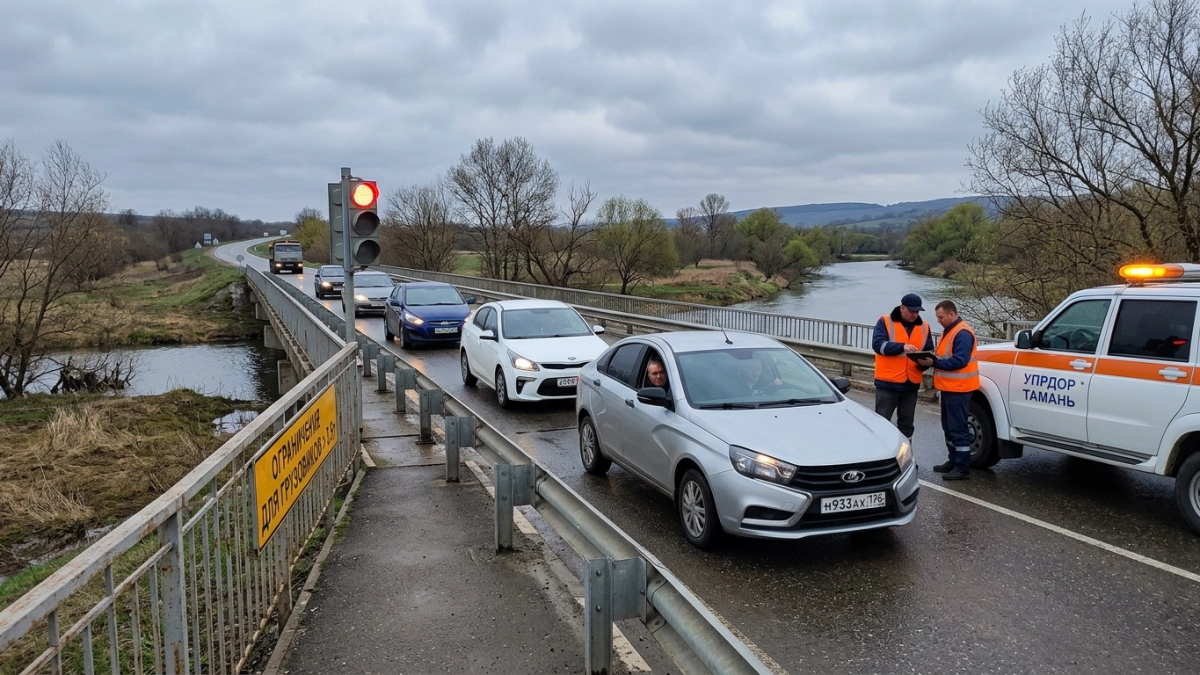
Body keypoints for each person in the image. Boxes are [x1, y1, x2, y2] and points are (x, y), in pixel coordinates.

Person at [917, 300, 980, 481]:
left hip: (959, 389)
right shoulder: (951, 330)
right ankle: (953, 460)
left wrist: (934, 362)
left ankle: (962, 467)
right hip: (949, 388)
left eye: (941, 317)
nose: (938, 320)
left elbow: (959, 361)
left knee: (957, 427)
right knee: (949, 427)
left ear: (951, 314)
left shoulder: (962, 333)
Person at [872, 293, 934, 443]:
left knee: (906, 426)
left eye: (917, 312)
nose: (914, 315)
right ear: (902, 308)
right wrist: (902, 347)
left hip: (910, 384)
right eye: (911, 311)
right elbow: (878, 345)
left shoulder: (924, 326)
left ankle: (906, 459)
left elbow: (929, 350)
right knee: (881, 423)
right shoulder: (885, 321)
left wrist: (924, 363)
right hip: (888, 383)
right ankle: (880, 458)